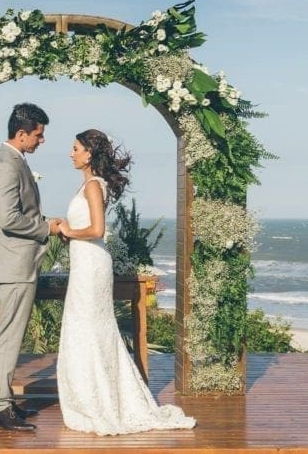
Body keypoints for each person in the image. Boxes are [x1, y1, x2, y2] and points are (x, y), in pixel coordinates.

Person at [56, 129, 196, 435]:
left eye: (75, 148)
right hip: (85, 263)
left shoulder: (94, 186)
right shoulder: (91, 185)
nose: (71, 152)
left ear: (89, 154)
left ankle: (103, 402)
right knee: (87, 327)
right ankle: (94, 396)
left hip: (92, 264)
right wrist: (67, 229)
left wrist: (66, 230)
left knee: (91, 326)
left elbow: (96, 229)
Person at [0, 102, 64, 432]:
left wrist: (46, 221)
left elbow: (21, 213)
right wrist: (46, 228)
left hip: (18, 263)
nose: (42, 141)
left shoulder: (12, 161)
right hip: (14, 265)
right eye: (39, 135)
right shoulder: (5, 166)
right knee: (7, 339)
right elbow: (8, 219)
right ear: (21, 134)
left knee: (10, 338)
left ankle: (3, 403)